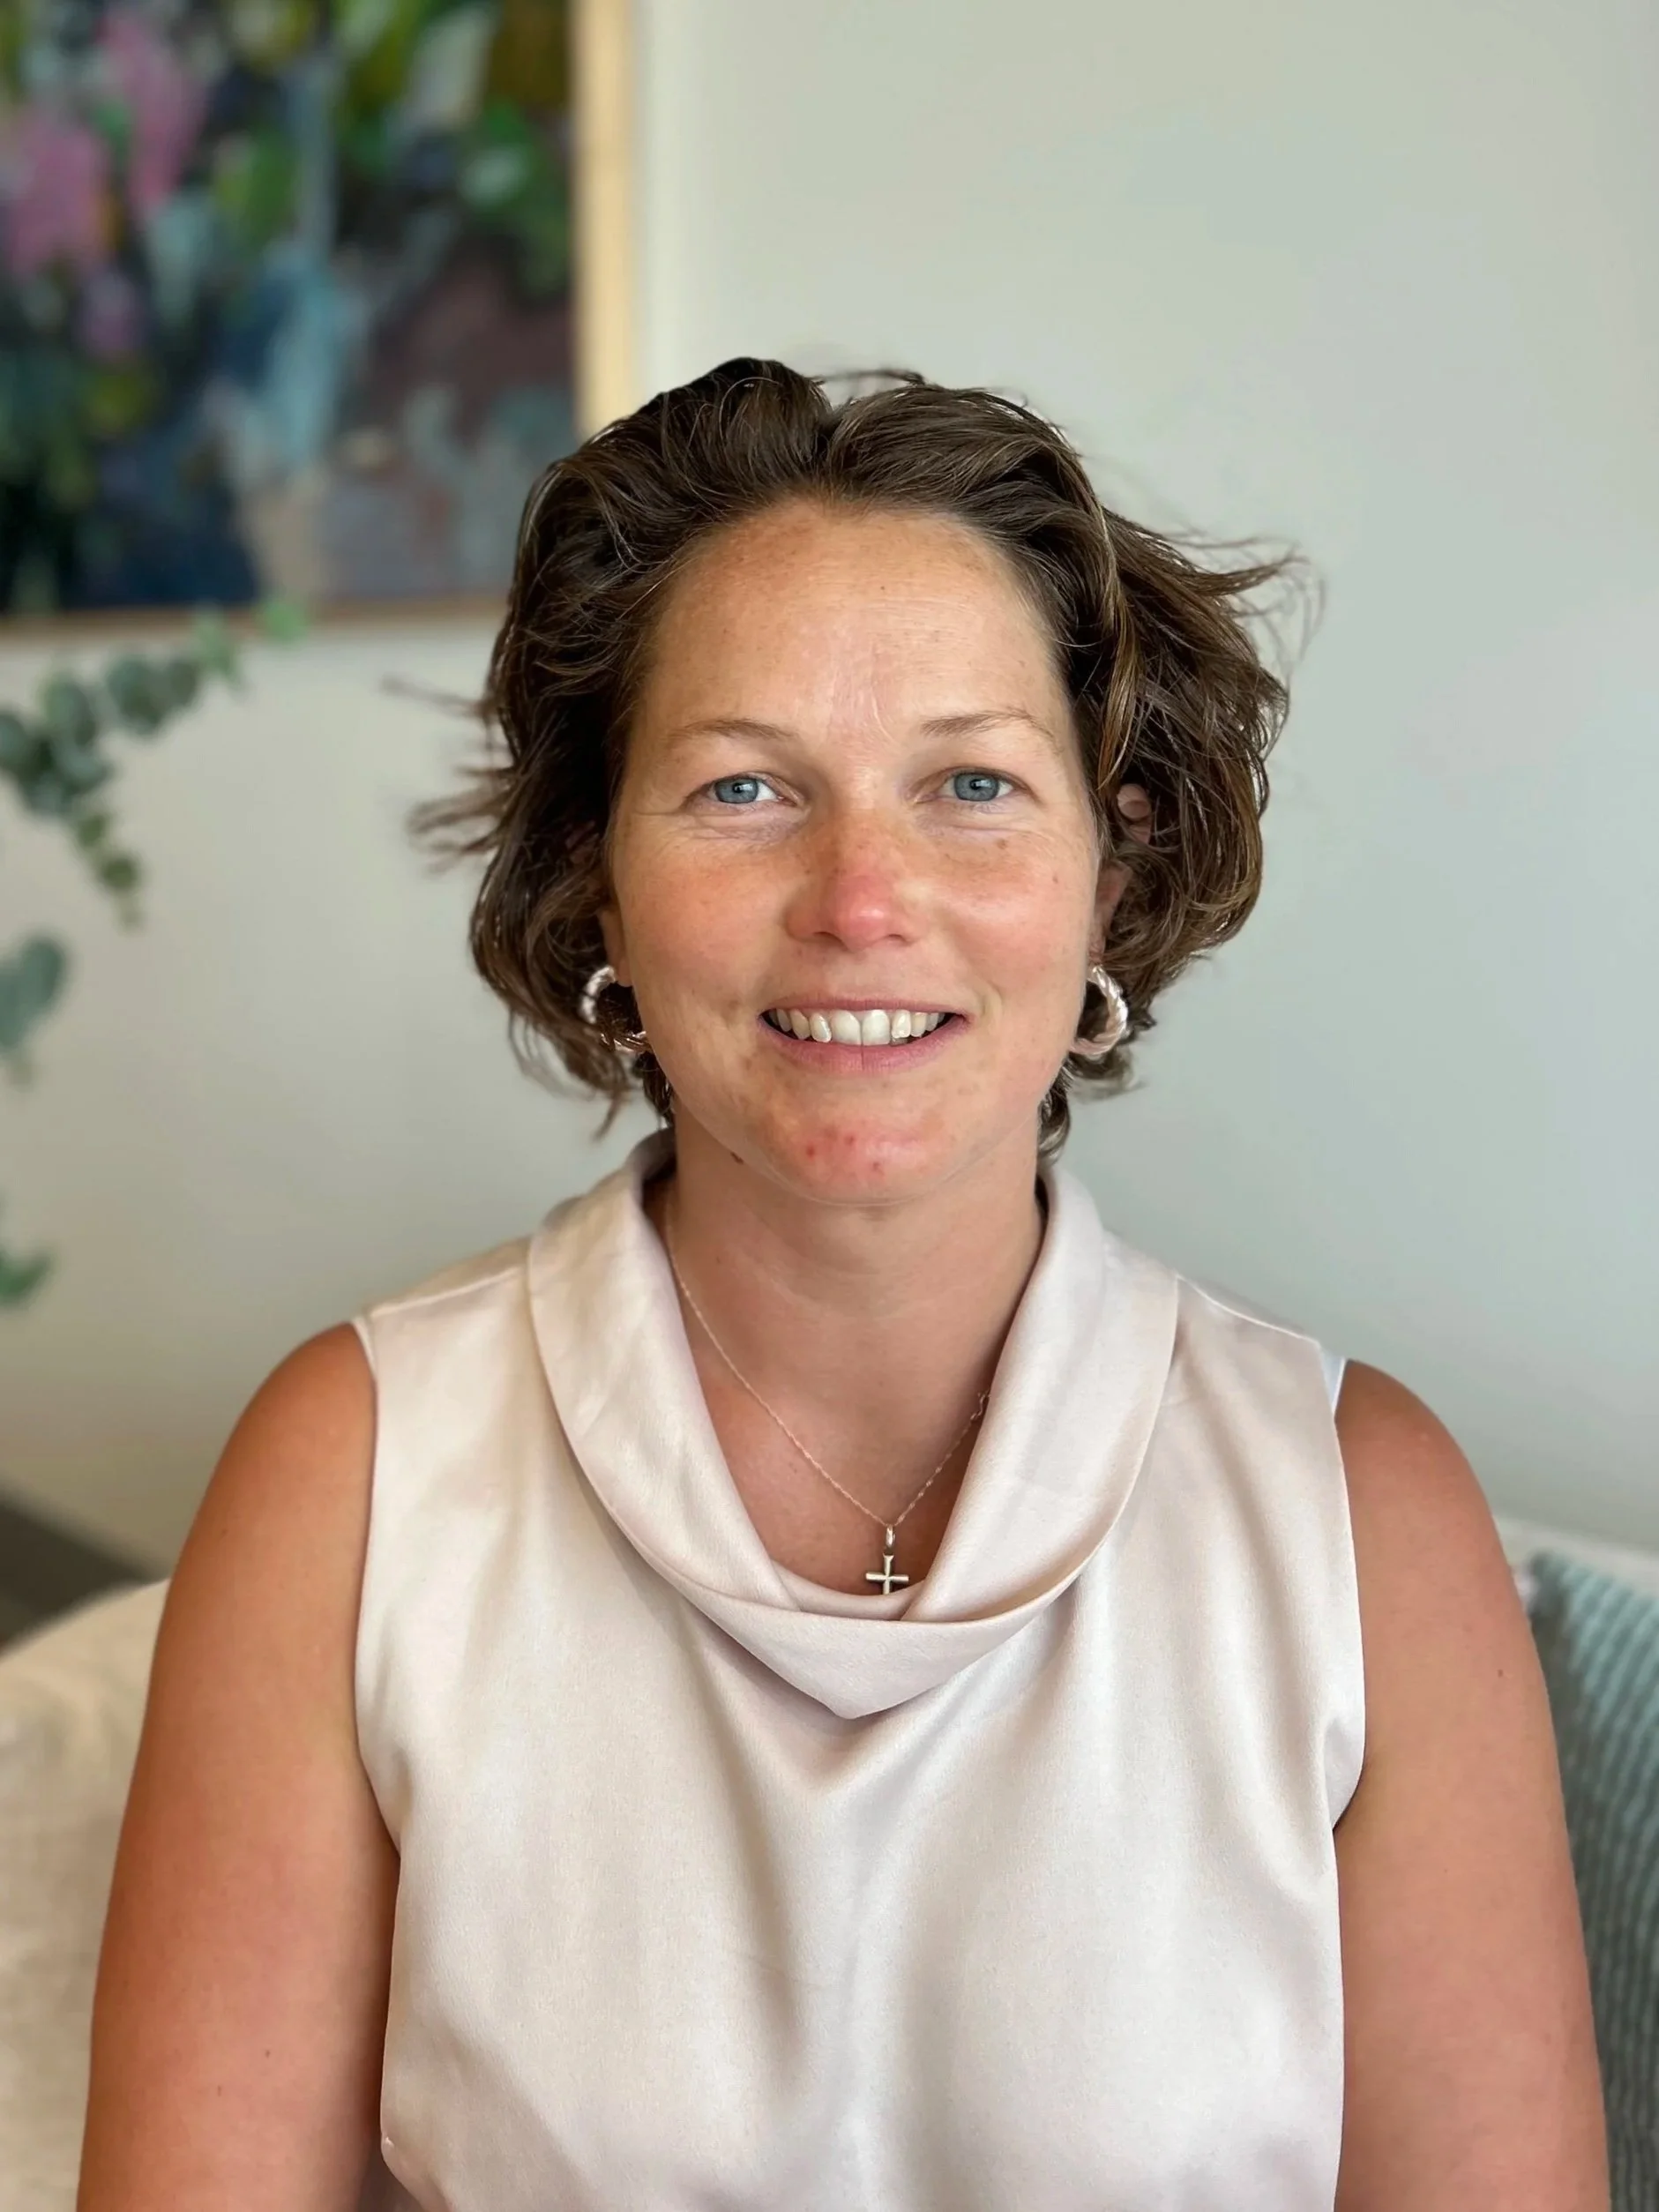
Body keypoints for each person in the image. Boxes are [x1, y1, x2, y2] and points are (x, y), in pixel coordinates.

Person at [79, 360, 1606, 2211]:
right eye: (743, 788)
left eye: (971, 783)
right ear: (595, 875)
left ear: (1112, 868)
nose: (861, 898)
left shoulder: (1366, 1518)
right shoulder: (353, 1474)